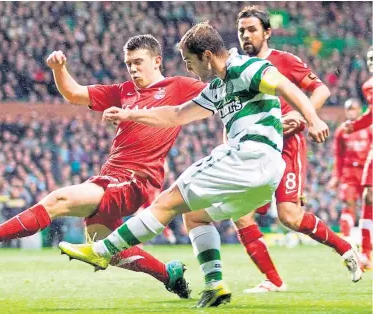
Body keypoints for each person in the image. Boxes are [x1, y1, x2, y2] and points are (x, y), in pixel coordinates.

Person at [58, 21, 360, 308]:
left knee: (167, 202)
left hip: (250, 156)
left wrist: (314, 118)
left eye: (190, 62)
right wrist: (130, 115)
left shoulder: (245, 67)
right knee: (195, 217)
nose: (189, 69)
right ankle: (215, 285)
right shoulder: (217, 87)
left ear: (206, 56)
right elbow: (176, 115)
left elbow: (285, 87)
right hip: (261, 176)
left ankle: (102, 251)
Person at [0, 34, 207, 298]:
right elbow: (74, 93)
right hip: (110, 176)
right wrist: (59, 69)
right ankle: (168, 274)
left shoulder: (179, 86)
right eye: (129, 64)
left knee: (58, 199)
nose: (133, 68)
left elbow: (219, 88)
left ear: (157, 61)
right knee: (106, 249)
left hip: (136, 180)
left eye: (138, 62)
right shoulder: (123, 91)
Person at [187, 5, 351, 294]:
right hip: (251, 152)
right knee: (242, 216)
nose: (246, 35)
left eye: (252, 30)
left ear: (267, 33)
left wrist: (303, 116)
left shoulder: (283, 61)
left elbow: (321, 89)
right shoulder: (234, 67)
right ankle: (273, 280)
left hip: (287, 146)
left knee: (289, 216)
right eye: (241, 31)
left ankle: (346, 249)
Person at [340, 46, 373, 269]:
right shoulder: (368, 87)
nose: (372, 61)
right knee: (368, 197)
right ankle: (366, 252)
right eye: (370, 58)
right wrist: (355, 125)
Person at [330, 99, 372, 241]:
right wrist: (336, 176)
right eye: (348, 109)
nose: (351, 112)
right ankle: (347, 240)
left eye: (353, 108)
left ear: (360, 110)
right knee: (349, 203)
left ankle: (367, 240)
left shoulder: (368, 128)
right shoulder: (342, 131)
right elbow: (338, 155)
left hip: (365, 171)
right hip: (349, 172)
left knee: (368, 203)